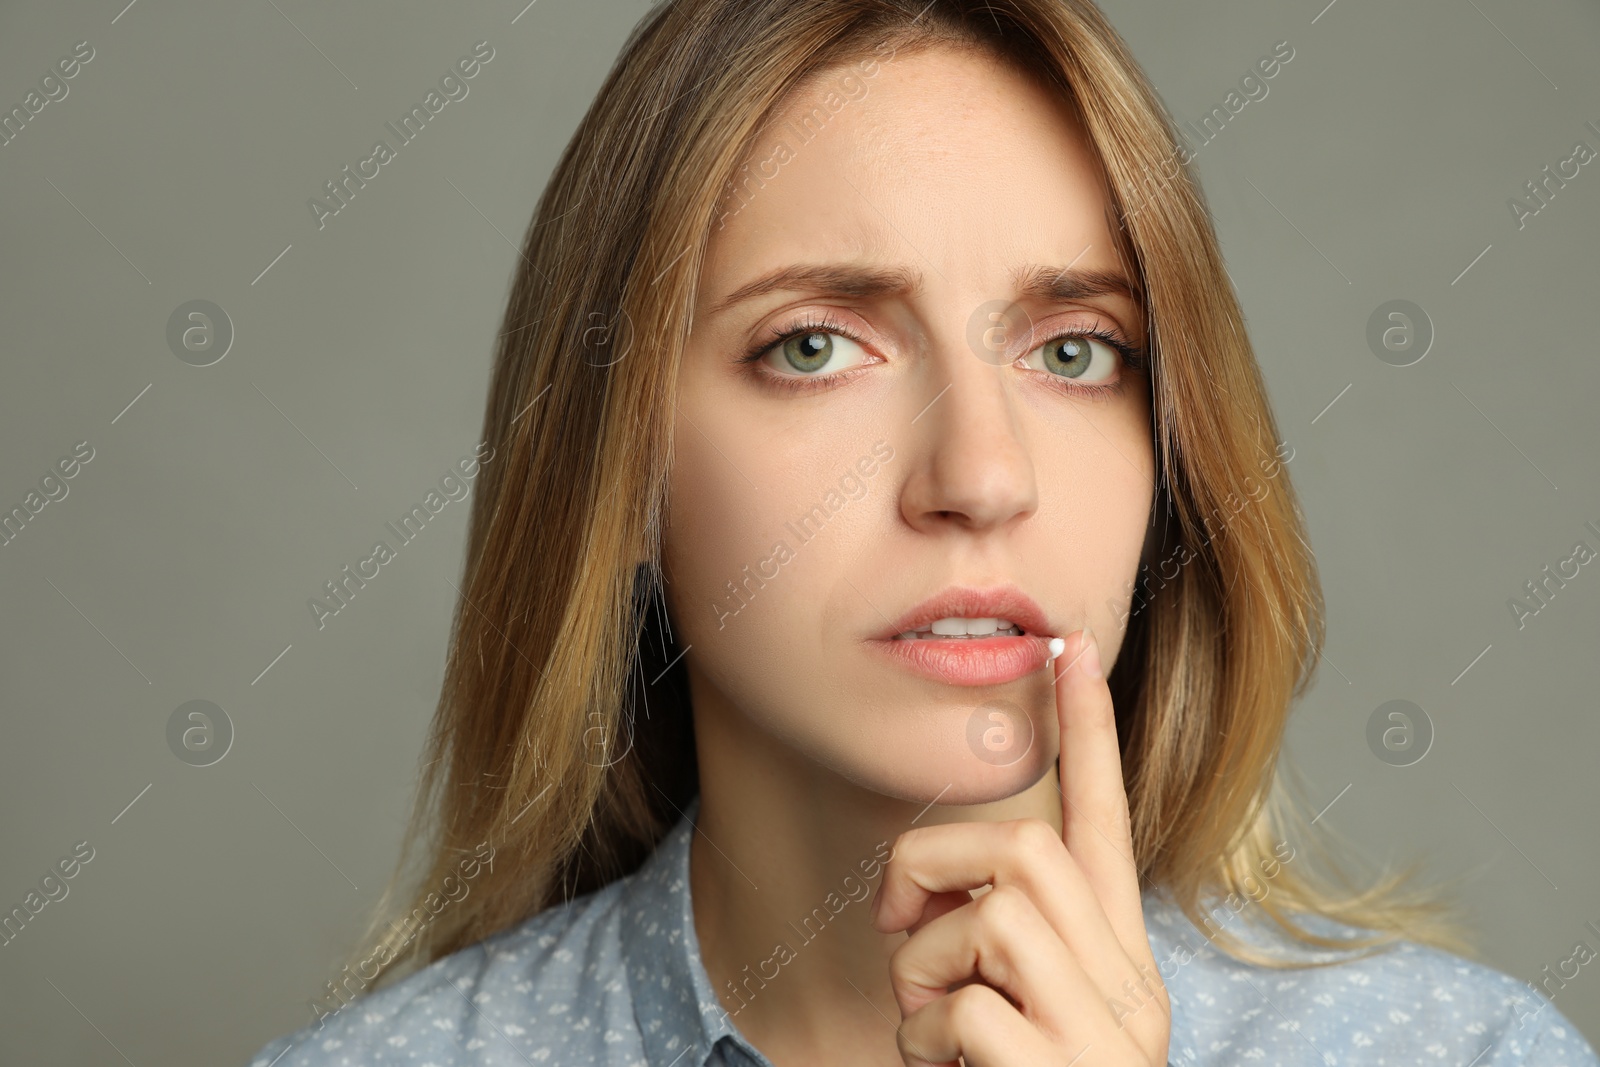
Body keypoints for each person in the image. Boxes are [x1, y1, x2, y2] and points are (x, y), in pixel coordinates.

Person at [248, 1, 1599, 1064]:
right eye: (818, 345)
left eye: (1074, 351)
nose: (983, 473)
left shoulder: (1462, 1054)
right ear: (618, 476)